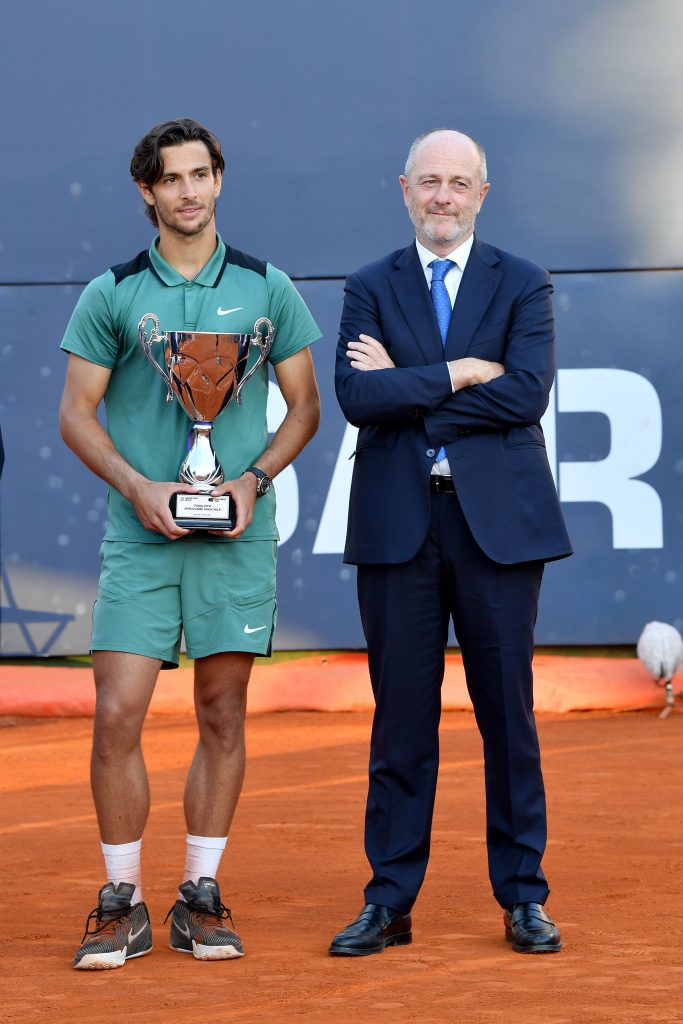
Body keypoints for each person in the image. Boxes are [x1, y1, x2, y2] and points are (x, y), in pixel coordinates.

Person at [59, 118, 321, 970]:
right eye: (171, 179)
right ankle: (121, 902)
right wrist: (139, 488)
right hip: (138, 540)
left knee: (221, 714)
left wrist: (250, 481)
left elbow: (307, 408)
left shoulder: (267, 286)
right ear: (147, 190)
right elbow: (75, 415)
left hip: (235, 537)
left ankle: (200, 895)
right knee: (116, 715)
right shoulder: (111, 291)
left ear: (218, 180)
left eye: (201, 175)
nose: (188, 192)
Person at [330, 129, 572, 957]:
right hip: (399, 528)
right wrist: (466, 371)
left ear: (481, 193)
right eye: (428, 181)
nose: (442, 196)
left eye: (457, 183)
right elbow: (358, 396)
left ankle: (523, 898)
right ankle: (389, 901)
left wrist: (414, 388)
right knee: (401, 723)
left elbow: (527, 394)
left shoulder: (522, 281)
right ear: (403, 188)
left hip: (496, 531)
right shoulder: (368, 285)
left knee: (508, 719)